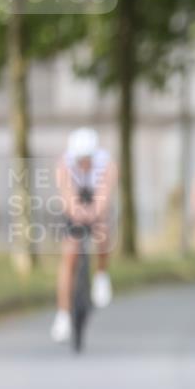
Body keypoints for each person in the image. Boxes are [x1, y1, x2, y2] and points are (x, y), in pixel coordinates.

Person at [50, 127, 118, 343]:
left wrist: (95, 213)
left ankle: (101, 276)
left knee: (102, 232)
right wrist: (78, 212)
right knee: (69, 255)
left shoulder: (106, 164)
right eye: (80, 159)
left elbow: (104, 195)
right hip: (76, 204)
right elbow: (67, 195)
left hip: (96, 200)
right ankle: (63, 315)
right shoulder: (64, 164)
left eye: (87, 159)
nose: (83, 163)